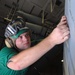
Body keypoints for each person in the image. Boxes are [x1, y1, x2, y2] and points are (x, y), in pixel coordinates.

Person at [0, 16, 70, 75]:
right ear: (11, 42)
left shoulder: (33, 45)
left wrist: (60, 28)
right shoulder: (5, 52)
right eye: (20, 37)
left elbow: (48, 42)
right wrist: (52, 39)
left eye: (27, 35)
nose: (26, 39)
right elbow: (16, 64)